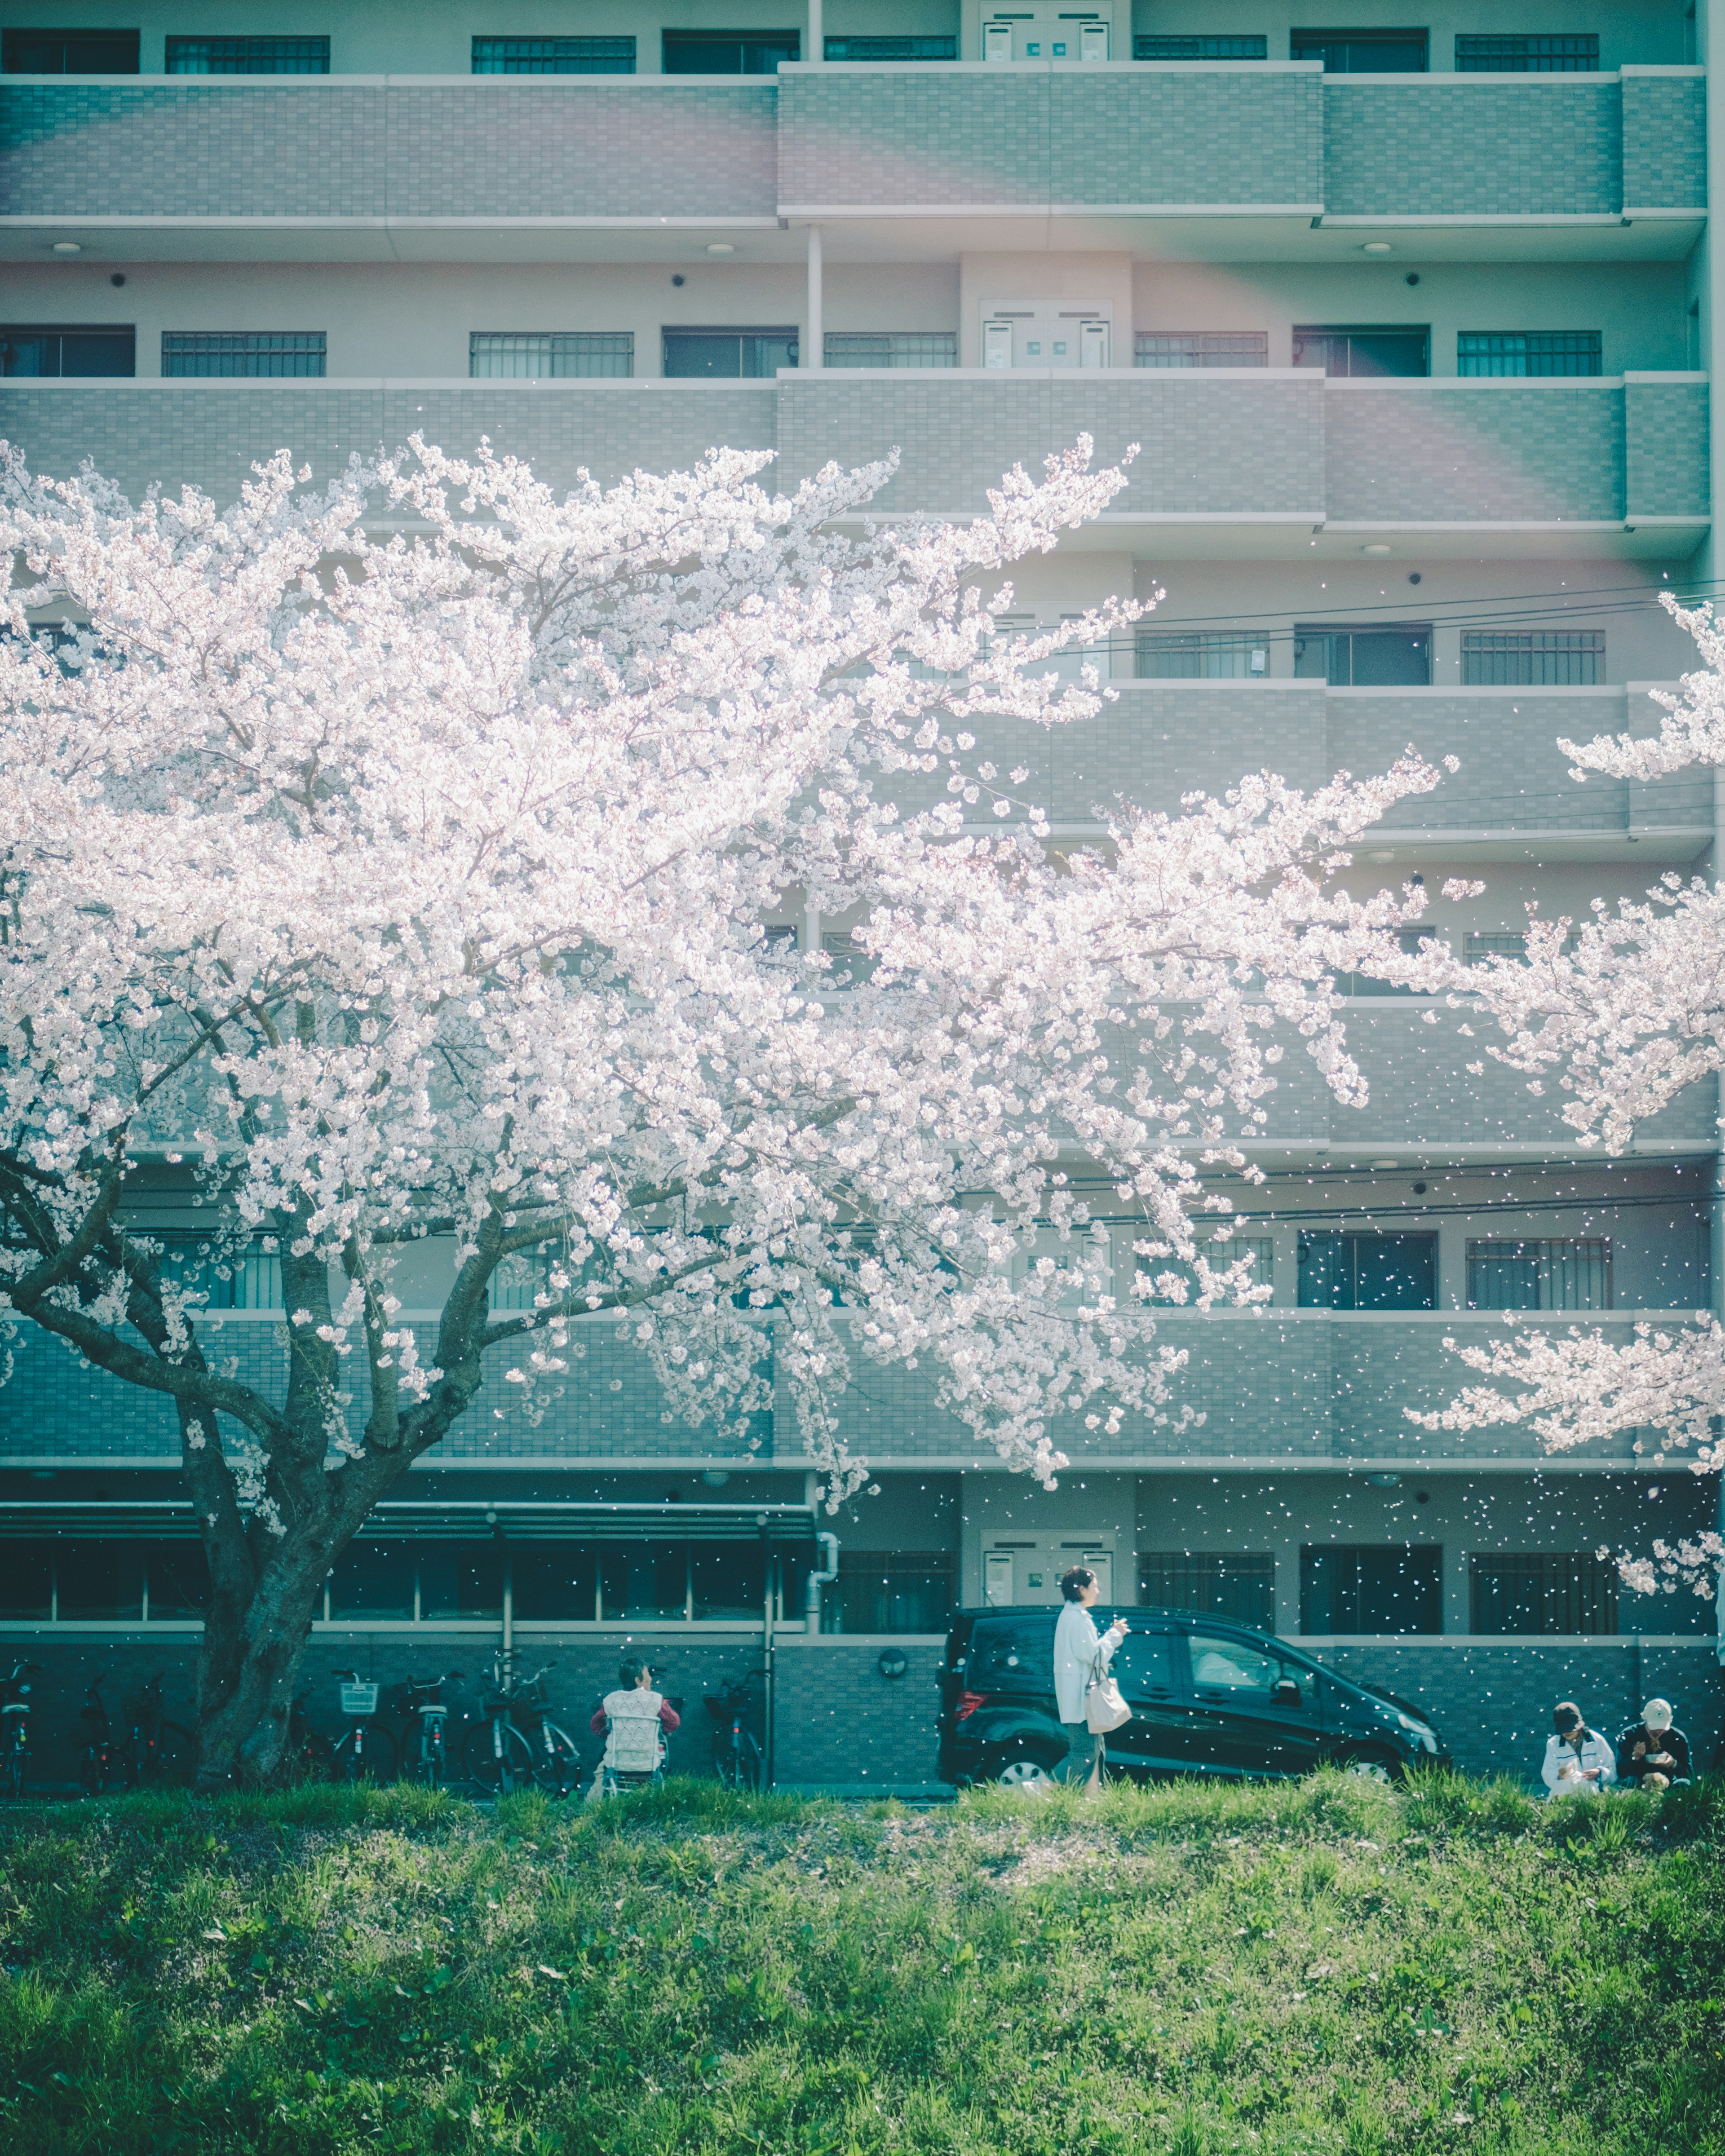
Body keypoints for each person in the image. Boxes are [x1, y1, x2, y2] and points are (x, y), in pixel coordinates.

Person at [1053, 1565, 1128, 1793]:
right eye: (1095, 1586)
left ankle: (1094, 1800)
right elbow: (1094, 1656)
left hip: (1080, 1699)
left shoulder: (1072, 1616)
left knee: (1095, 1751)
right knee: (1086, 1753)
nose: (1098, 1591)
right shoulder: (1077, 1619)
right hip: (1081, 1701)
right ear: (1082, 1589)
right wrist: (1115, 1635)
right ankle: (1044, 1789)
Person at [586, 1657, 681, 1799]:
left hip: (617, 1766)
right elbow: (674, 1723)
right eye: (647, 1675)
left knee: (601, 1772)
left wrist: (611, 1733)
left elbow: (595, 1726)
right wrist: (663, 1729)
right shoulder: (656, 1700)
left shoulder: (611, 1700)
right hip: (647, 1768)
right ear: (638, 1680)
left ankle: (594, 1807)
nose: (650, 1678)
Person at [1539, 1700, 1616, 1798]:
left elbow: (1612, 1771)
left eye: (1570, 1728)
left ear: (1580, 1725)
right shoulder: (1553, 1744)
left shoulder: (1597, 1740)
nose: (1567, 1732)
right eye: (1564, 1729)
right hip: (1565, 1797)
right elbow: (1547, 1773)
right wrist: (1559, 1775)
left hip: (1595, 1796)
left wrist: (1599, 1773)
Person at [1615, 1698, 1692, 1789]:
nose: (1657, 1731)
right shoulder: (1629, 1735)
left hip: (1669, 1783)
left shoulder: (1678, 1737)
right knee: (1629, 1782)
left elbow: (1689, 1773)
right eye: (1654, 1726)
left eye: (1661, 1727)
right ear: (1646, 1720)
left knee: (1684, 1784)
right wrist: (1635, 1757)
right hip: (1639, 1783)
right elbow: (1620, 1772)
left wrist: (1673, 1763)